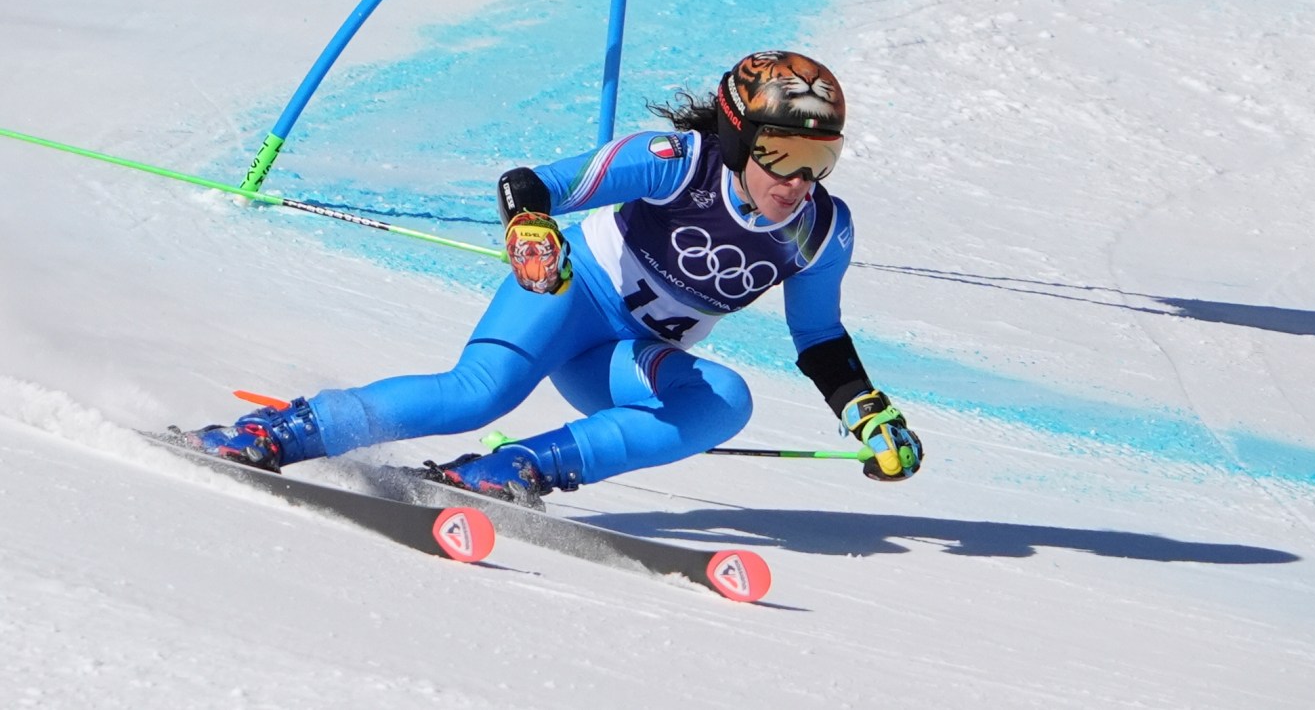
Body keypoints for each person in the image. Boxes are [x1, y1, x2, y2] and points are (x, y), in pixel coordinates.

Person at [183, 50, 923, 500]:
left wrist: (867, 411)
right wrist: (530, 226)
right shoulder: (677, 162)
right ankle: (279, 432)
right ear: (737, 139)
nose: (799, 180)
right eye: (784, 155)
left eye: (820, 161)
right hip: (566, 295)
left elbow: (819, 336)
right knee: (479, 392)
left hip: (623, 358)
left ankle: (521, 470)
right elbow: (533, 185)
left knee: (725, 399)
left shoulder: (822, 229)